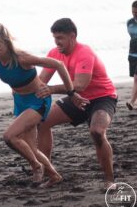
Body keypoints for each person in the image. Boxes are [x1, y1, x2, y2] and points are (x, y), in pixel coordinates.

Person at [0, 23, 79, 186]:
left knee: (9, 136)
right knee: (31, 149)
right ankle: (54, 175)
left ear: (7, 43)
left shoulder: (22, 58)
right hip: (20, 101)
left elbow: (58, 64)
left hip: (38, 99)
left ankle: (36, 167)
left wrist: (70, 91)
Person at [37, 18, 118, 189]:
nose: (56, 42)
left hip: (102, 98)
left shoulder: (84, 52)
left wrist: (51, 90)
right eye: (54, 38)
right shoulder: (54, 53)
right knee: (43, 122)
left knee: (97, 132)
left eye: (60, 38)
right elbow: (41, 80)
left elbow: (81, 85)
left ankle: (109, 180)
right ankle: (50, 173)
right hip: (75, 97)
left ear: (72, 36)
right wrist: (21, 86)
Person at [126, 0, 137, 110]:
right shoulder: (129, 22)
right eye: (133, 12)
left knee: (136, 79)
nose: (134, 14)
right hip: (132, 54)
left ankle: (132, 102)